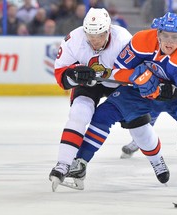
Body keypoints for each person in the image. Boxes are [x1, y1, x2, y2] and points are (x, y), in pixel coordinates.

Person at [66, 12, 177, 194]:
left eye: (175, 37)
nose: (169, 41)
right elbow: (117, 70)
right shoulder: (141, 40)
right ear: (157, 32)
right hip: (140, 93)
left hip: (174, 97)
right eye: (165, 35)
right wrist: (137, 77)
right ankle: (80, 163)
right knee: (104, 114)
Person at [48, 7, 133, 192]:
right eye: (90, 35)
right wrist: (73, 73)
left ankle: (156, 160)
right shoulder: (74, 39)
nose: (94, 40)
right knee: (79, 113)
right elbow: (60, 74)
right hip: (89, 84)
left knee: (138, 122)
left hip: (117, 84)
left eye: (99, 35)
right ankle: (63, 164)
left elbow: (135, 71)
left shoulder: (123, 39)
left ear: (108, 30)